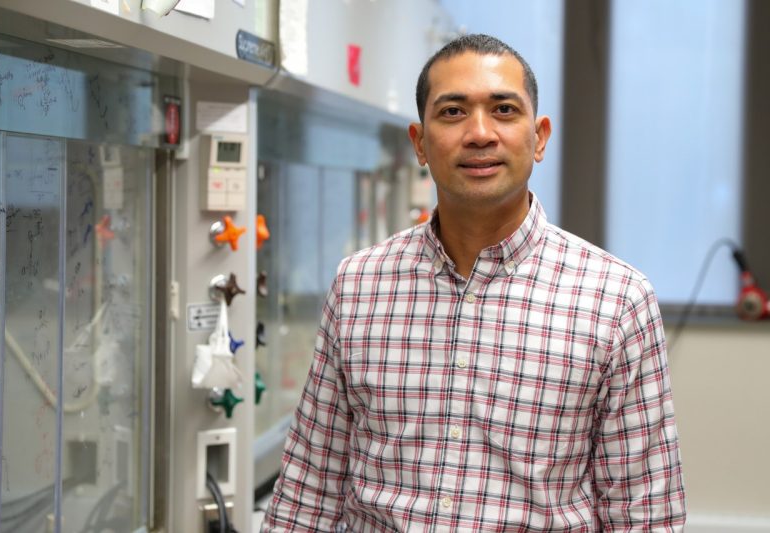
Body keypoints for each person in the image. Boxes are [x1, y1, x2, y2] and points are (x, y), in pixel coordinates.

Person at [262, 34, 686, 531]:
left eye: (504, 110)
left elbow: (645, 514)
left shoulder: (615, 300)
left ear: (540, 136)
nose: (480, 133)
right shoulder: (359, 284)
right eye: (453, 112)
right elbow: (309, 489)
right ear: (419, 143)